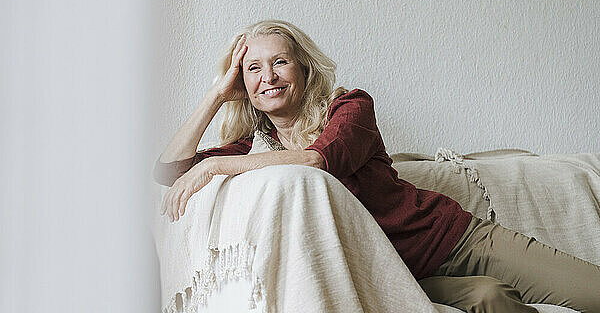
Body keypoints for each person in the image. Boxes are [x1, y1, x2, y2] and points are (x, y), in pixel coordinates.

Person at [155, 19, 600, 313]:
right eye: (252, 68)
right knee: (490, 297)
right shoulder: (254, 150)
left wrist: (214, 168)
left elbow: (317, 162)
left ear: (305, 70)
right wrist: (215, 94)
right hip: (393, 273)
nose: (267, 77)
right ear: (242, 83)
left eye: (279, 62)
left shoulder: (349, 108)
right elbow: (169, 172)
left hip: (453, 240)